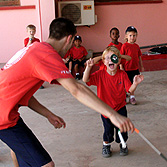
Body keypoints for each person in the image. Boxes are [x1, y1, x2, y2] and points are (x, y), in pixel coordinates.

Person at [0, 18, 134, 167]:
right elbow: (77, 89)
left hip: (8, 113)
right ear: (69, 39)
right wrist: (112, 114)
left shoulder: (34, 48)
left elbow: (21, 93)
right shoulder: (46, 54)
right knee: (46, 165)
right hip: (3, 120)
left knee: (19, 150)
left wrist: (48, 114)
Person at [83, 46, 144, 158]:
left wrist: (135, 83)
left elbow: (129, 90)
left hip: (120, 107)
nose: (110, 60)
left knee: (122, 128)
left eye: (114, 57)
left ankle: (123, 144)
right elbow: (85, 80)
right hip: (105, 109)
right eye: (107, 58)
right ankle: (106, 144)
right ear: (103, 62)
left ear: (119, 60)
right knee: (108, 129)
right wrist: (88, 67)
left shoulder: (122, 74)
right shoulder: (100, 74)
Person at [120, 26, 144, 105]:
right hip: (127, 69)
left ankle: (132, 97)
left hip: (135, 69)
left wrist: (142, 66)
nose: (132, 37)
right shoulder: (124, 46)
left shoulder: (136, 46)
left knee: (134, 83)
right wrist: (121, 68)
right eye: (130, 35)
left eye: (134, 35)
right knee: (125, 83)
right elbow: (121, 57)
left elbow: (139, 57)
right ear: (126, 36)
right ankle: (123, 96)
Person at [24, 24, 44, 89]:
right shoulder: (26, 40)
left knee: (37, 70)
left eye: (33, 31)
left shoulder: (37, 40)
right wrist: (30, 40)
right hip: (29, 57)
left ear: (35, 31)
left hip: (36, 57)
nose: (31, 33)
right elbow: (27, 47)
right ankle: (30, 84)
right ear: (27, 31)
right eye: (30, 31)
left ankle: (39, 83)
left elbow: (39, 48)